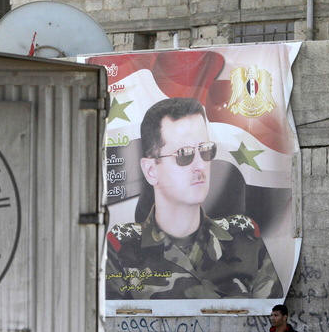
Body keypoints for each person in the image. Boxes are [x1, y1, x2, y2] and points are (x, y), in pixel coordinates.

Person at [105, 97, 284, 299]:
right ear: (151, 170)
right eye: (184, 154)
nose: (200, 165)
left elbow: (272, 314)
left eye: (205, 150)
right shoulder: (122, 249)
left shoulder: (244, 239)